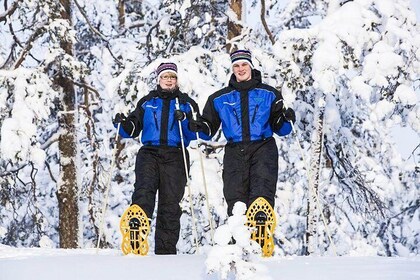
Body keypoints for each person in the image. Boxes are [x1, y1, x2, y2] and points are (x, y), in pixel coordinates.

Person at [189, 49, 296, 216]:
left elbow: (281, 129)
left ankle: (261, 234)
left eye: (244, 64)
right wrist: (198, 127)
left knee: (261, 197)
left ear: (251, 66)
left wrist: (286, 120)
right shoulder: (219, 98)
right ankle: (238, 236)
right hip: (235, 152)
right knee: (236, 201)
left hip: (263, 149)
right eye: (236, 65)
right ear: (232, 69)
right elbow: (208, 130)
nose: (240, 68)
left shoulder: (269, 94)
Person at [113, 62, 199, 254]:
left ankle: (166, 251)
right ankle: (136, 243)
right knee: (144, 193)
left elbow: (195, 134)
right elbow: (133, 129)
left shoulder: (186, 103)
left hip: (176, 154)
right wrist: (122, 124)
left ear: (177, 80)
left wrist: (184, 120)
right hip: (150, 153)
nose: (169, 80)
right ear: (158, 79)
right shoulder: (147, 101)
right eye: (165, 77)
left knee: (170, 202)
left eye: (172, 77)